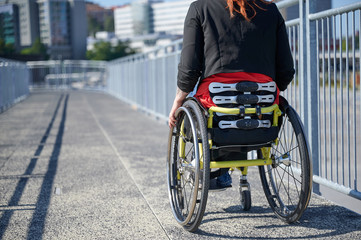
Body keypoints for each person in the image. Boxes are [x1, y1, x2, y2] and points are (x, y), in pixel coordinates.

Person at [168, 0, 295, 188]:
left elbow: (189, 67)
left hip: (218, 104)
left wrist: (178, 100)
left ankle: (217, 170)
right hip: (262, 108)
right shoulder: (270, 10)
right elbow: (285, 70)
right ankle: (229, 169)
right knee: (246, 107)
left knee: (206, 111)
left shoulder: (200, 8)